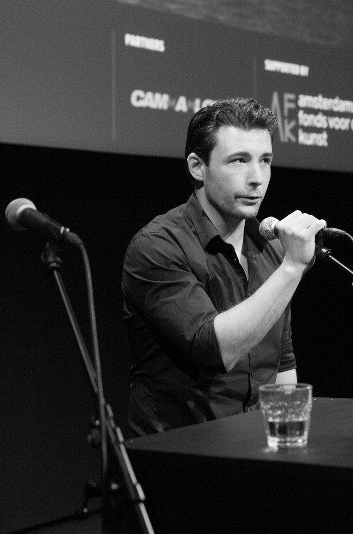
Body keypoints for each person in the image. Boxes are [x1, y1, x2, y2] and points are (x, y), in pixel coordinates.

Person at [122, 97, 326, 436]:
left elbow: (282, 363)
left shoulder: (272, 250)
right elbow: (212, 349)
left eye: (265, 160)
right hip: (179, 457)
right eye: (239, 161)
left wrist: (292, 446)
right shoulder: (157, 246)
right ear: (197, 166)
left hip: (254, 452)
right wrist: (291, 269)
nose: (257, 178)